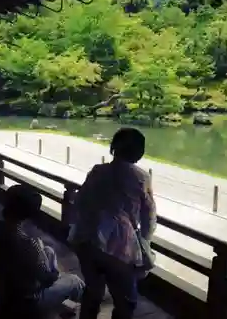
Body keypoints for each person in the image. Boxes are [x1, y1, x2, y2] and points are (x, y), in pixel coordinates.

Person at [69, 128, 156, 319]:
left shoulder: (98, 171)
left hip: (87, 238)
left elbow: (80, 201)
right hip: (120, 245)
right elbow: (148, 216)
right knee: (126, 300)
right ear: (139, 151)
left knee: (93, 291)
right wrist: (144, 242)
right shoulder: (141, 177)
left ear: (114, 148)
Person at [0, 185, 84, 318]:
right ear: (29, 216)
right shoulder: (27, 243)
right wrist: (49, 267)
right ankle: (83, 304)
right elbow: (48, 280)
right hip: (27, 305)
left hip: (4, 296)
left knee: (48, 251)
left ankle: (61, 300)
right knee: (74, 280)